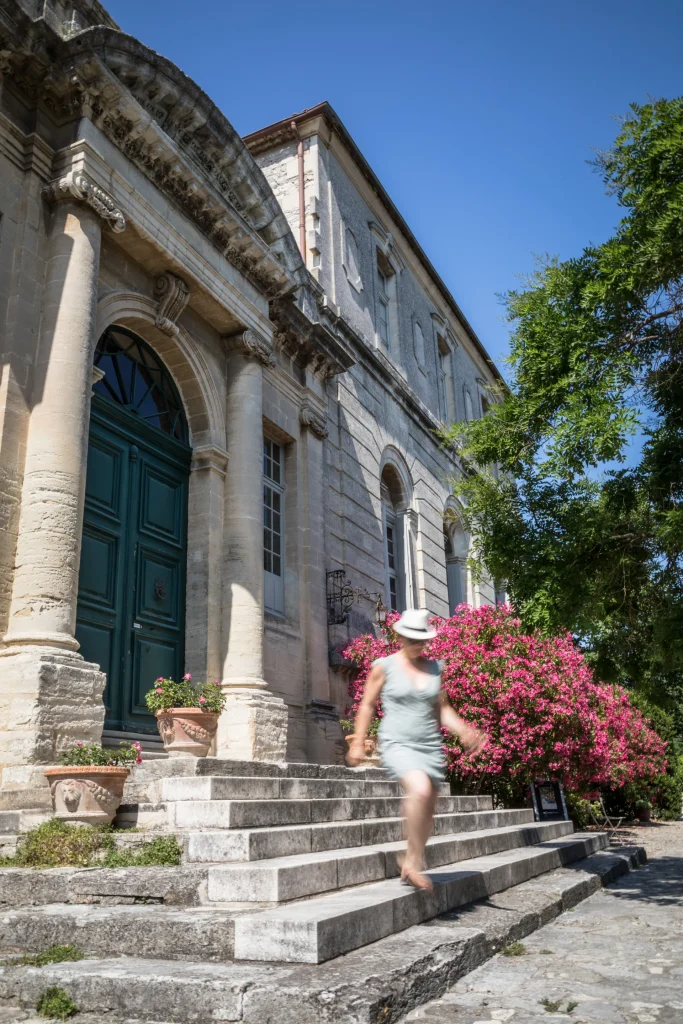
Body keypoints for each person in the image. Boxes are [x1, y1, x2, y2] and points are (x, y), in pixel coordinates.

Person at [347, 608, 487, 891]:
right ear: (399, 636)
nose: (418, 644)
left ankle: (411, 860)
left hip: (429, 745)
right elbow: (367, 704)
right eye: (412, 639)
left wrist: (464, 731)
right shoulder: (384, 666)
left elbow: (443, 710)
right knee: (420, 790)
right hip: (397, 742)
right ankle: (413, 864)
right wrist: (359, 741)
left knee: (428, 807)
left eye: (422, 639)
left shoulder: (435, 669)